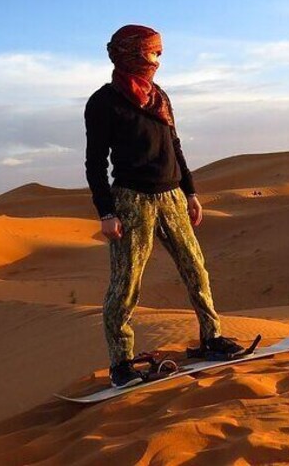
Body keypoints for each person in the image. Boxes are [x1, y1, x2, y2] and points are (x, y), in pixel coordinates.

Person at [84, 24, 244, 388]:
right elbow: (95, 163)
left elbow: (175, 145)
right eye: (154, 52)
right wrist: (106, 213)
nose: (159, 58)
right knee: (126, 285)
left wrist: (190, 192)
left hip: (172, 197)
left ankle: (211, 338)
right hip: (131, 201)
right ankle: (121, 363)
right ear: (134, 53)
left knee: (195, 269)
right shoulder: (103, 102)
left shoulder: (160, 97)